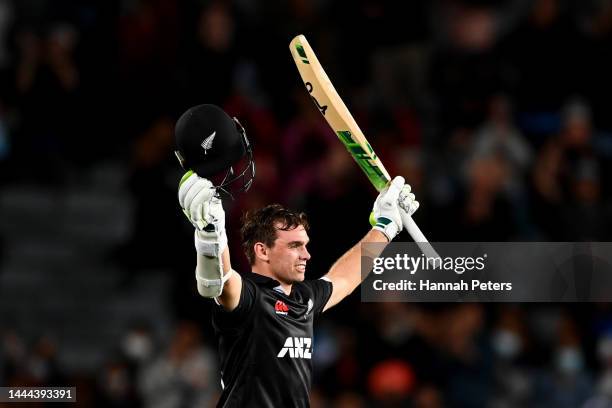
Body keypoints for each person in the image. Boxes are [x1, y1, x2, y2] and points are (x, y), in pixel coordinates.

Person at [175, 104, 419, 407]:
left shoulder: (304, 299)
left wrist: (385, 226)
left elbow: (344, 277)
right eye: (294, 246)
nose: (306, 254)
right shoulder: (250, 298)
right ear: (262, 251)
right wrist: (210, 234)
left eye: (304, 244)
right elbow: (219, 284)